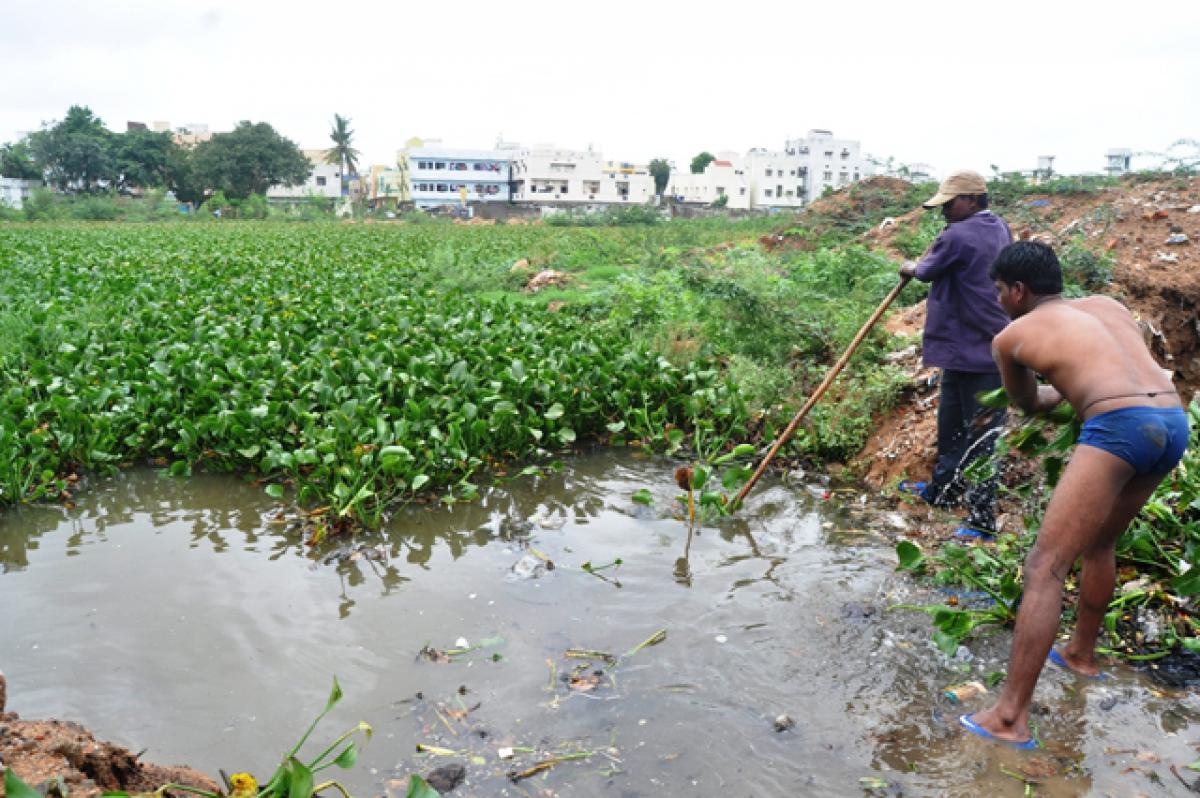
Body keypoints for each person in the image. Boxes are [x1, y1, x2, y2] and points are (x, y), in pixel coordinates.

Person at [960, 240, 1189, 748]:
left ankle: (1008, 717)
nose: (998, 301)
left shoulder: (1012, 336)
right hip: (1173, 422)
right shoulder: (1108, 306)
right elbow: (1116, 371)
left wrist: (1064, 395)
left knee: (1045, 566)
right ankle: (1081, 655)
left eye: (999, 291)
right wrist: (1080, 389)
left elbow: (1031, 404)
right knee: (1100, 544)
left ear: (1018, 290)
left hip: (1119, 428)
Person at [898, 170, 1013, 539]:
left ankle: (981, 519)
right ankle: (942, 490)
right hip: (967, 348)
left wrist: (910, 266)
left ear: (973, 200)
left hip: (981, 351)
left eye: (950, 203)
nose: (945, 210)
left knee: (981, 437)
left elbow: (924, 273)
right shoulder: (999, 227)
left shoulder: (958, 235)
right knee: (951, 424)